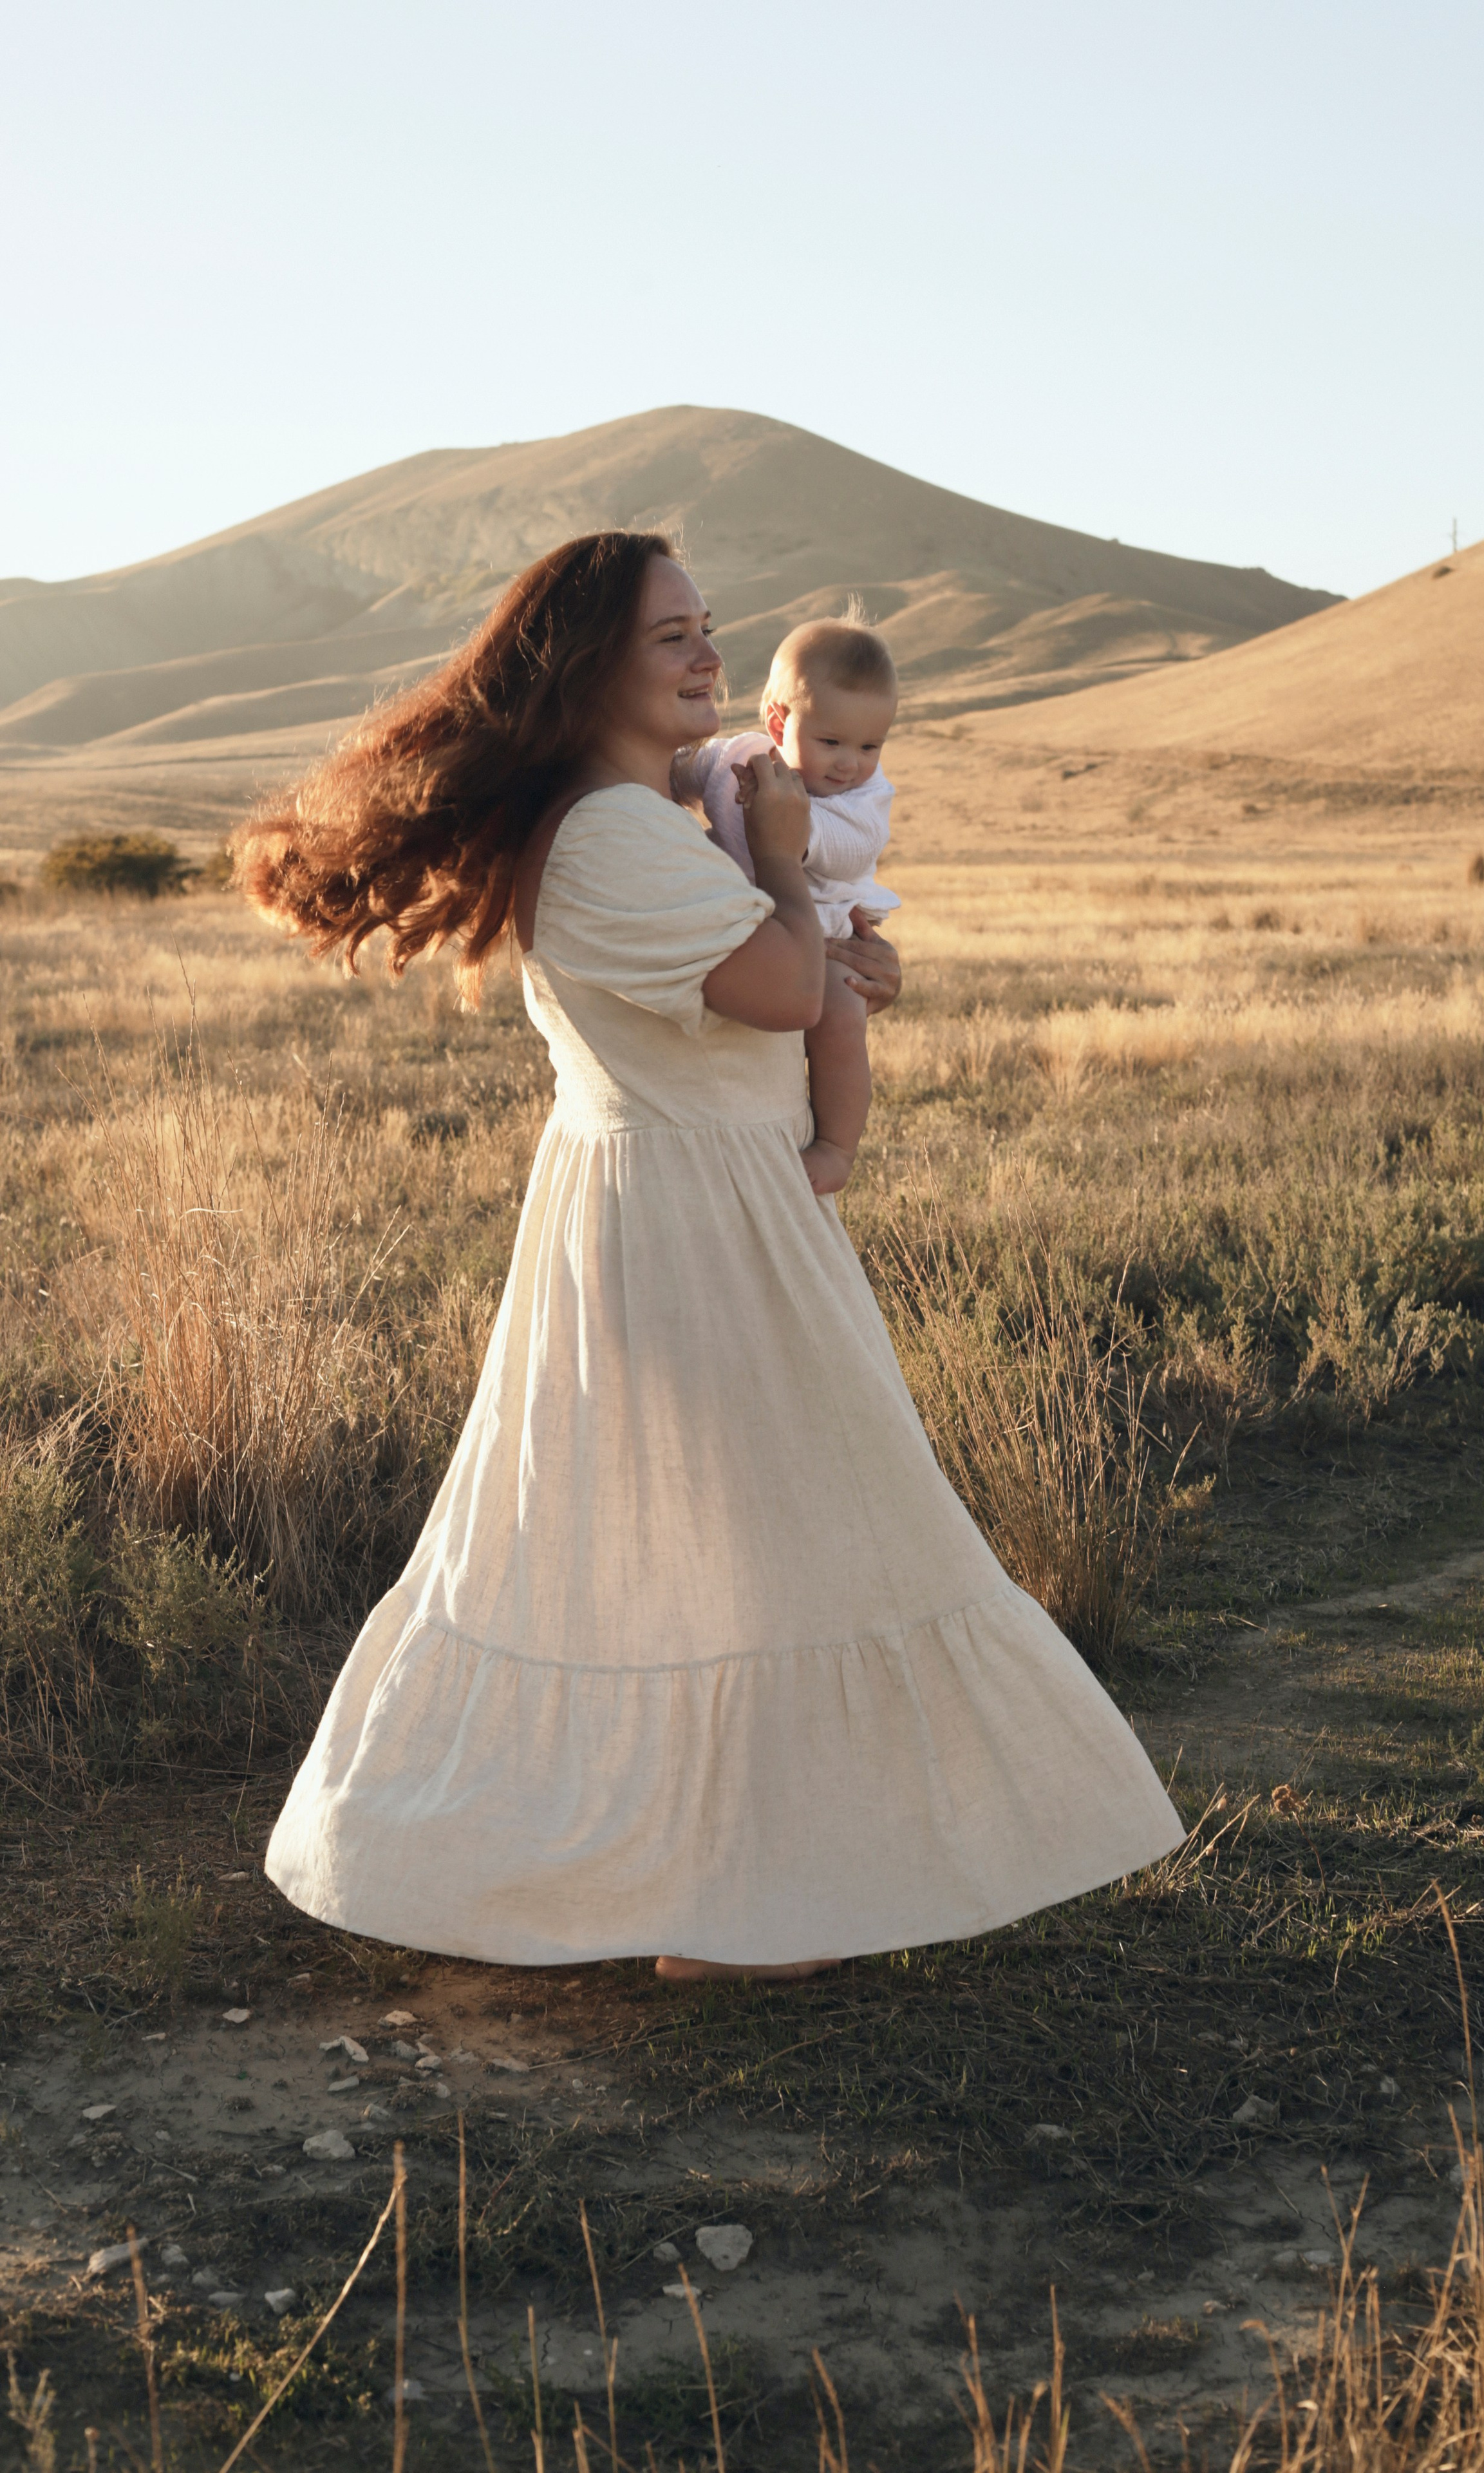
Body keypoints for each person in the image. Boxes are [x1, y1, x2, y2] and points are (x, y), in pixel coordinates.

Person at [240, 529, 1183, 1983]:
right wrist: (805, 890)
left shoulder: (652, 815)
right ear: (585, 664)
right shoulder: (614, 832)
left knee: (743, 1546)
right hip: (686, 1221)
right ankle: (689, 1901)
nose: (708, 657)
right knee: (769, 1530)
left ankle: (734, 1892)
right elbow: (777, 982)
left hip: (709, 1202)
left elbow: (793, 984)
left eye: (707, 629)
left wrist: (842, 958)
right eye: (671, 635)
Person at [673, 617, 899, 1196]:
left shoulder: (864, 800)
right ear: (778, 722)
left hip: (827, 935)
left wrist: (792, 827)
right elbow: (689, 772)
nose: (850, 763)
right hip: (752, 924)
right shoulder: (737, 760)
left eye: (870, 746)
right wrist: (667, 780)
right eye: (832, 742)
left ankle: (837, 1147)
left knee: (842, 1021)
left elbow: (852, 849)